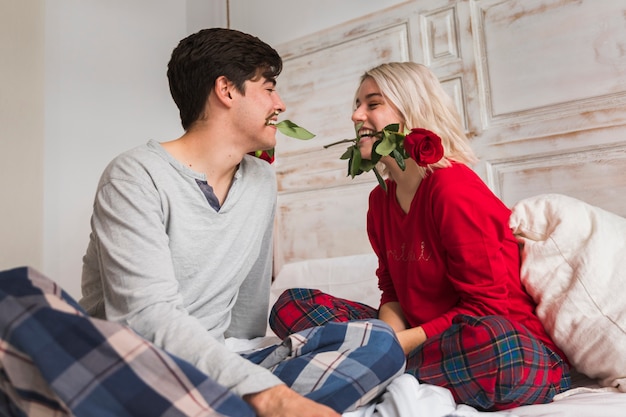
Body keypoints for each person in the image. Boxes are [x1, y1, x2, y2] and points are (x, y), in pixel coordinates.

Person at [79, 28, 404, 417]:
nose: (280, 104)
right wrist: (271, 396)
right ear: (226, 90)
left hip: (218, 365)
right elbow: (146, 318)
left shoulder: (260, 179)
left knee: (381, 342)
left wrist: (243, 374)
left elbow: (247, 312)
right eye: (269, 88)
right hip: (139, 365)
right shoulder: (134, 176)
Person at [269, 62, 571, 411]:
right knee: (290, 305)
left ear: (411, 111)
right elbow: (393, 292)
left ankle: (371, 369)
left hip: (507, 346)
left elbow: (488, 309)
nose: (355, 115)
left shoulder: (453, 189)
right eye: (356, 104)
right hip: (424, 343)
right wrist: (383, 342)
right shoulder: (379, 201)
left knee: (495, 350)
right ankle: (385, 369)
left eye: (372, 103)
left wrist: (389, 347)